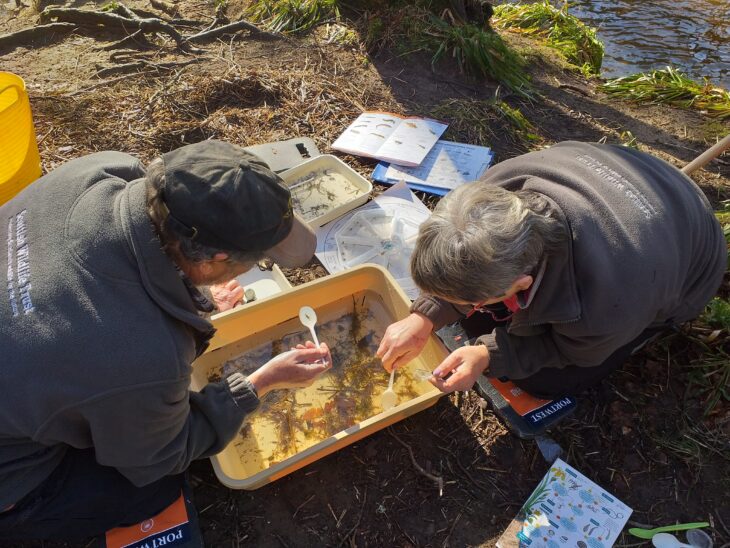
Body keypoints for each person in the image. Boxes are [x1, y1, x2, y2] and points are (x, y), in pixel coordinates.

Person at [0, 140, 333, 544]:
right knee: (154, 487)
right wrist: (259, 382)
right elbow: (160, 456)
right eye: (259, 259)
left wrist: (192, 297)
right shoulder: (143, 354)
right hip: (12, 478)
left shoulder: (101, 169)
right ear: (215, 261)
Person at [377, 141, 726, 399]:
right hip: (640, 177)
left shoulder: (607, 304)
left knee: (542, 381)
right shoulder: (489, 195)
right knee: (477, 321)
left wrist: (488, 354)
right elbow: (461, 266)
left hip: (690, 259)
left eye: (475, 299)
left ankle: (649, 331)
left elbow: (566, 351)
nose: (462, 304)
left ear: (521, 282)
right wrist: (424, 316)